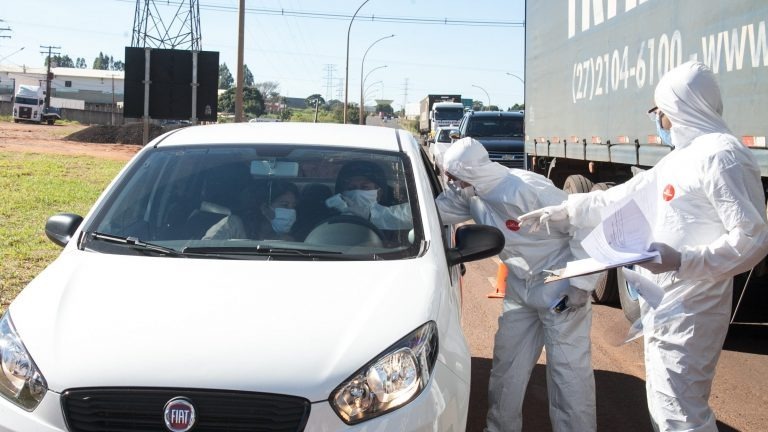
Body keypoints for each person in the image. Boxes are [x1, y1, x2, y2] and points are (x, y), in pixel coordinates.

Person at [519, 61, 768, 431]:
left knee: (681, 414)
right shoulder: (682, 158)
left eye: (660, 112)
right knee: (667, 407)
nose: (658, 120)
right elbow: (622, 196)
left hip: (693, 308)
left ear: (682, 107)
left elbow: (752, 240)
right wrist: (567, 210)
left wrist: (682, 260)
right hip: (665, 302)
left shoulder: (722, 155)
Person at [435, 137, 596, 432]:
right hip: (521, 285)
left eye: (453, 176)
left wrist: (581, 283)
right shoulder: (471, 193)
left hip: (559, 287)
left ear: (470, 172)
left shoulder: (527, 189)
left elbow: (585, 225)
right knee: (506, 367)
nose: (450, 182)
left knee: (568, 374)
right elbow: (435, 212)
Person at [325, 160, 413, 230]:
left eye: (364, 187)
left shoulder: (396, 215)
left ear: (379, 193)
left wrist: (370, 214)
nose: (357, 192)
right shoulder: (329, 216)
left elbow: (415, 217)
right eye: (351, 188)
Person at [204, 180, 299, 241]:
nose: (291, 211)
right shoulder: (234, 224)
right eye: (284, 205)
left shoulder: (286, 239)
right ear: (264, 208)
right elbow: (206, 248)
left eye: (293, 206)